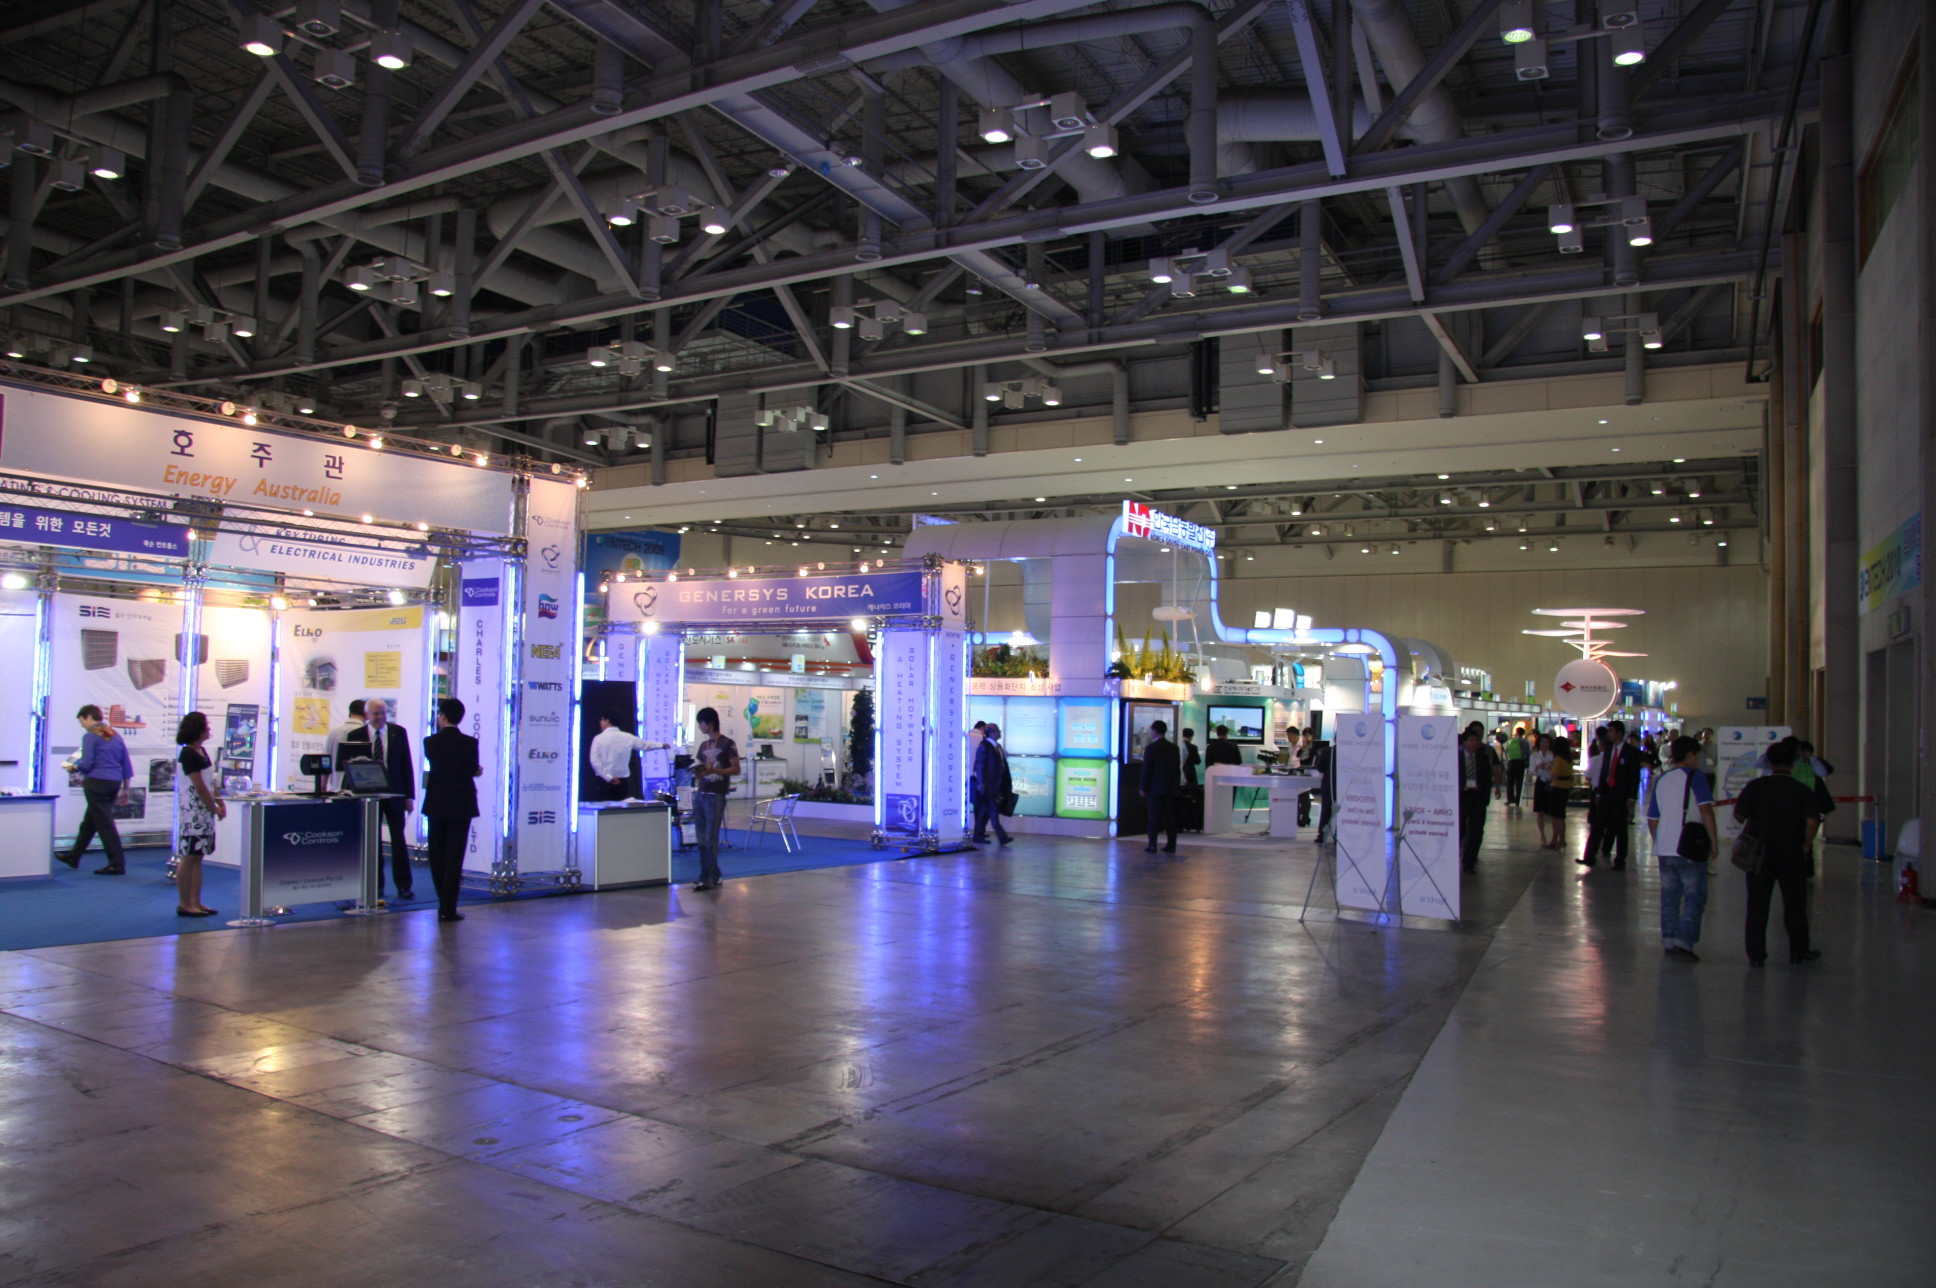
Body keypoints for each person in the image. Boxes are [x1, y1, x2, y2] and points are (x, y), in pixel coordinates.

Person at [1734, 739, 1824, 966]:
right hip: (1791, 852)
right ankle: (1798, 951)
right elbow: (1812, 822)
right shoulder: (1801, 790)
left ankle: (1756, 955)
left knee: (1757, 905)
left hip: (1759, 853)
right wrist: (1806, 844)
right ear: (1793, 763)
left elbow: (1739, 816)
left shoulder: (1755, 786)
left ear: (1769, 762)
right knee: (1795, 904)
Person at [1648, 735, 1717, 962]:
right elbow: (1706, 811)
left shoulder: (1661, 779)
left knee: (1669, 896)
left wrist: (1659, 840)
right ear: (1690, 755)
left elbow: (1652, 818)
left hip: (1665, 848)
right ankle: (1685, 941)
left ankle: (1668, 939)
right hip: (1689, 847)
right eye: (1696, 755)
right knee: (1694, 896)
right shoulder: (1697, 778)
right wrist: (1713, 842)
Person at [342, 697, 416, 902]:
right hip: (369, 796)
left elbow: (406, 765)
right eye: (376, 713)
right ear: (367, 715)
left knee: (398, 840)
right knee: (372, 841)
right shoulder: (355, 735)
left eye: (383, 713)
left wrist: (409, 796)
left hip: (395, 794)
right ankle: (376, 885)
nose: (380, 717)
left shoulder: (398, 732)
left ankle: (404, 885)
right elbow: (349, 768)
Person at [422, 697, 481, 923]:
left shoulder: (430, 742)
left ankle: (441, 900)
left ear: (443, 716)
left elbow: (438, 765)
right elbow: (472, 769)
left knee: (437, 855)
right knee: (455, 857)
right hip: (461, 803)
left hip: (436, 802)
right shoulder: (470, 743)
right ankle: (449, 906)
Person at [57, 704, 133, 874]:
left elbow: (87, 763)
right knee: (89, 823)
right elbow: (125, 762)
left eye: (81, 721)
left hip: (97, 783)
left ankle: (117, 864)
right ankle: (74, 857)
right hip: (114, 782)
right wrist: (126, 787)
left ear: (89, 717)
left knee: (105, 825)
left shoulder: (90, 736)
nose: (82, 725)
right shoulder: (114, 734)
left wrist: (73, 767)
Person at [172, 711, 221, 917]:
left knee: (198, 857)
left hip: (204, 812)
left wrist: (218, 801)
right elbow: (199, 786)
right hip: (193, 813)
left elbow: (210, 783)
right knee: (189, 857)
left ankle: (196, 901)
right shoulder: (188, 754)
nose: (209, 729)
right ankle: (185, 903)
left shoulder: (201, 751)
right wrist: (213, 806)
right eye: (205, 726)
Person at [690, 706, 740, 891]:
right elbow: (700, 768)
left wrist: (716, 770)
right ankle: (713, 874)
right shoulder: (703, 746)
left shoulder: (728, 744)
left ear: (709, 723)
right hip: (701, 793)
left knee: (710, 838)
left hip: (716, 795)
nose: (699, 727)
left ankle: (706, 877)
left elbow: (736, 769)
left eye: (701, 723)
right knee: (701, 838)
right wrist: (698, 772)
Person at [1581, 720, 1640, 869]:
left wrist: (1632, 796)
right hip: (1606, 793)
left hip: (1621, 795)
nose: (1609, 734)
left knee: (1620, 828)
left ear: (1619, 733)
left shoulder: (1630, 752)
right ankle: (1589, 856)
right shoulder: (1608, 750)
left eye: (1611, 731)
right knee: (1597, 825)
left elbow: (1634, 775)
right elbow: (1604, 772)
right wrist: (1599, 792)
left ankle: (1620, 860)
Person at [587, 713, 671, 802]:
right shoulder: (627, 737)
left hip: (603, 781)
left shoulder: (598, 739)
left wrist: (608, 777)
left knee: (603, 808)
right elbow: (645, 745)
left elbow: (594, 761)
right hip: (622, 781)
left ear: (607, 721)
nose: (600, 722)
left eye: (602, 720)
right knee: (622, 808)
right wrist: (661, 745)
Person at [1457, 725, 1501, 873]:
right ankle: (1456, 857)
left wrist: (1488, 791)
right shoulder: (1455, 757)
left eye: (1476, 740)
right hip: (1461, 797)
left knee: (1476, 831)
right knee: (1460, 829)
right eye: (1470, 740)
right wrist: (1461, 786)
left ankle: (1469, 862)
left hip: (1478, 798)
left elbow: (1488, 777)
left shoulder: (1483, 757)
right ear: (1464, 742)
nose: (1474, 743)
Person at [1141, 719, 1182, 853]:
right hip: (1170, 789)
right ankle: (1171, 845)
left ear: (1155, 731)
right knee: (1170, 818)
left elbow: (1147, 770)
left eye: (1151, 730)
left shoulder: (1151, 748)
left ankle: (1152, 845)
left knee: (1153, 818)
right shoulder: (1174, 748)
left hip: (1155, 789)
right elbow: (1177, 769)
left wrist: (1143, 787)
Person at [971, 721, 1013, 847]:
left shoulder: (997, 747)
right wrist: (981, 784)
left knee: (986, 812)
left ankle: (980, 836)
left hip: (996, 786)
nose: (1000, 732)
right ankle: (1001, 837)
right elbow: (979, 766)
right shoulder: (984, 746)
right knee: (991, 811)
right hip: (987, 786)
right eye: (998, 730)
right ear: (992, 733)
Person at [323, 698, 366, 789]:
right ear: (366, 714)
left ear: (350, 712)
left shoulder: (334, 732)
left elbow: (326, 760)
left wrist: (323, 786)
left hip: (336, 786)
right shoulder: (367, 733)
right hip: (361, 787)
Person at [1503, 726, 1529, 813]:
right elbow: (1527, 753)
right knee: (1519, 782)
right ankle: (1518, 800)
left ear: (1517, 733)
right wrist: (1526, 763)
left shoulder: (1511, 741)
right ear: (1523, 733)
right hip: (1520, 763)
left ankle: (1510, 799)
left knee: (1510, 782)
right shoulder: (1525, 742)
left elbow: (1506, 751)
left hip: (1511, 763)